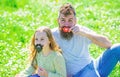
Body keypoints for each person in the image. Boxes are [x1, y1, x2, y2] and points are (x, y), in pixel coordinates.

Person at [52, 3, 120, 77]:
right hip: (74, 74)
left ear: (75, 21)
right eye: (63, 20)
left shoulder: (81, 31)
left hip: (91, 67)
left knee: (117, 48)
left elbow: (108, 44)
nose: (67, 24)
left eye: (70, 20)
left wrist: (84, 34)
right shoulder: (52, 35)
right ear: (58, 20)